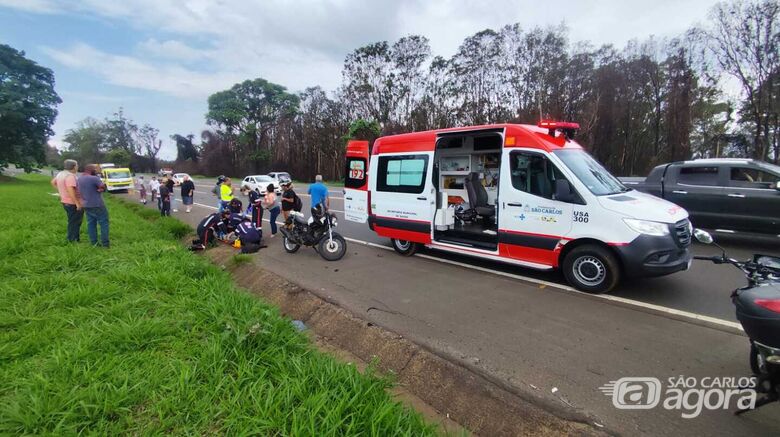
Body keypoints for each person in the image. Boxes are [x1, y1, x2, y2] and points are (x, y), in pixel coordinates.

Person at [77, 164, 109, 247]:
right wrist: (102, 188)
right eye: (96, 169)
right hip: (97, 204)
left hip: (86, 204)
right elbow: (103, 187)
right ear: (92, 170)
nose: (97, 171)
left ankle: (94, 243)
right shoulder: (94, 178)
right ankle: (105, 244)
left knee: (91, 224)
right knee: (104, 223)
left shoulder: (79, 178)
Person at [51, 159, 83, 242]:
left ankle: (73, 238)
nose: (77, 166)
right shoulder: (70, 176)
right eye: (77, 165)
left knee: (72, 220)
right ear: (74, 166)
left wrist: (61, 191)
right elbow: (70, 189)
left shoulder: (61, 174)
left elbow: (53, 182)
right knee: (75, 222)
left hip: (65, 201)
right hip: (72, 203)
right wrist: (77, 203)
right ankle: (73, 240)